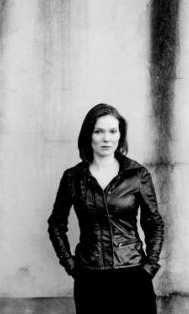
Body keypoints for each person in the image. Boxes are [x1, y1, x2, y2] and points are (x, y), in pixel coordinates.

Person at [47, 103, 164, 314]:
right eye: (98, 131)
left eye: (112, 131)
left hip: (133, 276)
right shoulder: (73, 178)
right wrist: (70, 265)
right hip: (90, 279)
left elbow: (153, 223)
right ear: (88, 135)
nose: (106, 138)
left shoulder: (137, 175)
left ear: (120, 135)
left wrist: (150, 266)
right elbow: (56, 224)